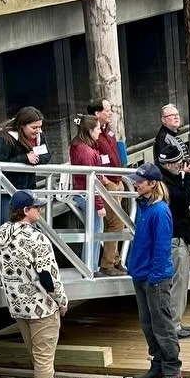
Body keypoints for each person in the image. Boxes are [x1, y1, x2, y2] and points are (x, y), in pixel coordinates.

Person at [0, 191, 75, 378]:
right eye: (36, 207)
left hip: (18, 306)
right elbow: (48, 278)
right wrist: (62, 301)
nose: (40, 210)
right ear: (26, 211)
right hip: (41, 307)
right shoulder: (36, 238)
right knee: (44, 357)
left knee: (38, 355)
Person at [124, 164, 181, 378]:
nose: (135, 183)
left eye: (140, 181)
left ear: (152, 184)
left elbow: (161, 247)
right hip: (141, 273)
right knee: (147, 323)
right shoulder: (144, 207)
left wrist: (155, 276)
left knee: (162, 324)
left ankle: (171, 368)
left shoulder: (159, 211)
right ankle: (157, 363)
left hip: (155, 277)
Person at [157, 139, 190, 340]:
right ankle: (174, 325)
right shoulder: (168, 184)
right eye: (178, 164)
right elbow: (184, 200)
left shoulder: (162, 180)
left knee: (172, 284)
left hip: (172, 238)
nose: (181, 167)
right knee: (178, 283)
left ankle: (170, 323)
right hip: (176, 241)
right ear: (170, 165)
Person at [69, 114, 126, 276]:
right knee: (95, 232)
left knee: (94, 231)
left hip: (85, 193)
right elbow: (91, 181)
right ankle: (91, 268)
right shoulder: (86, 151)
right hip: (88, 195)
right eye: (96, 129)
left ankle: (90, 266)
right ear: (89, 131)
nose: (99, 132)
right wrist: (100, 205)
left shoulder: (79, 146)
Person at [0, 106, 50, 202]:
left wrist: (35, 158)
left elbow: (47, 155)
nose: (38, 131)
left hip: (26, 190)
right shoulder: (3, 139)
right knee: (8, 217)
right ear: (22, 125)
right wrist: (25, 159)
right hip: (0, 192)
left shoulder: (39, 136)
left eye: (40, 127)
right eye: (34, 127)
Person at [87, 98, 128, 169]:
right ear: (97, 114)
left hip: (118, 174)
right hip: (106, 177)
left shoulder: (108, 129)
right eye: (108, 111)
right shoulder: (91, 135)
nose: (111, 113)